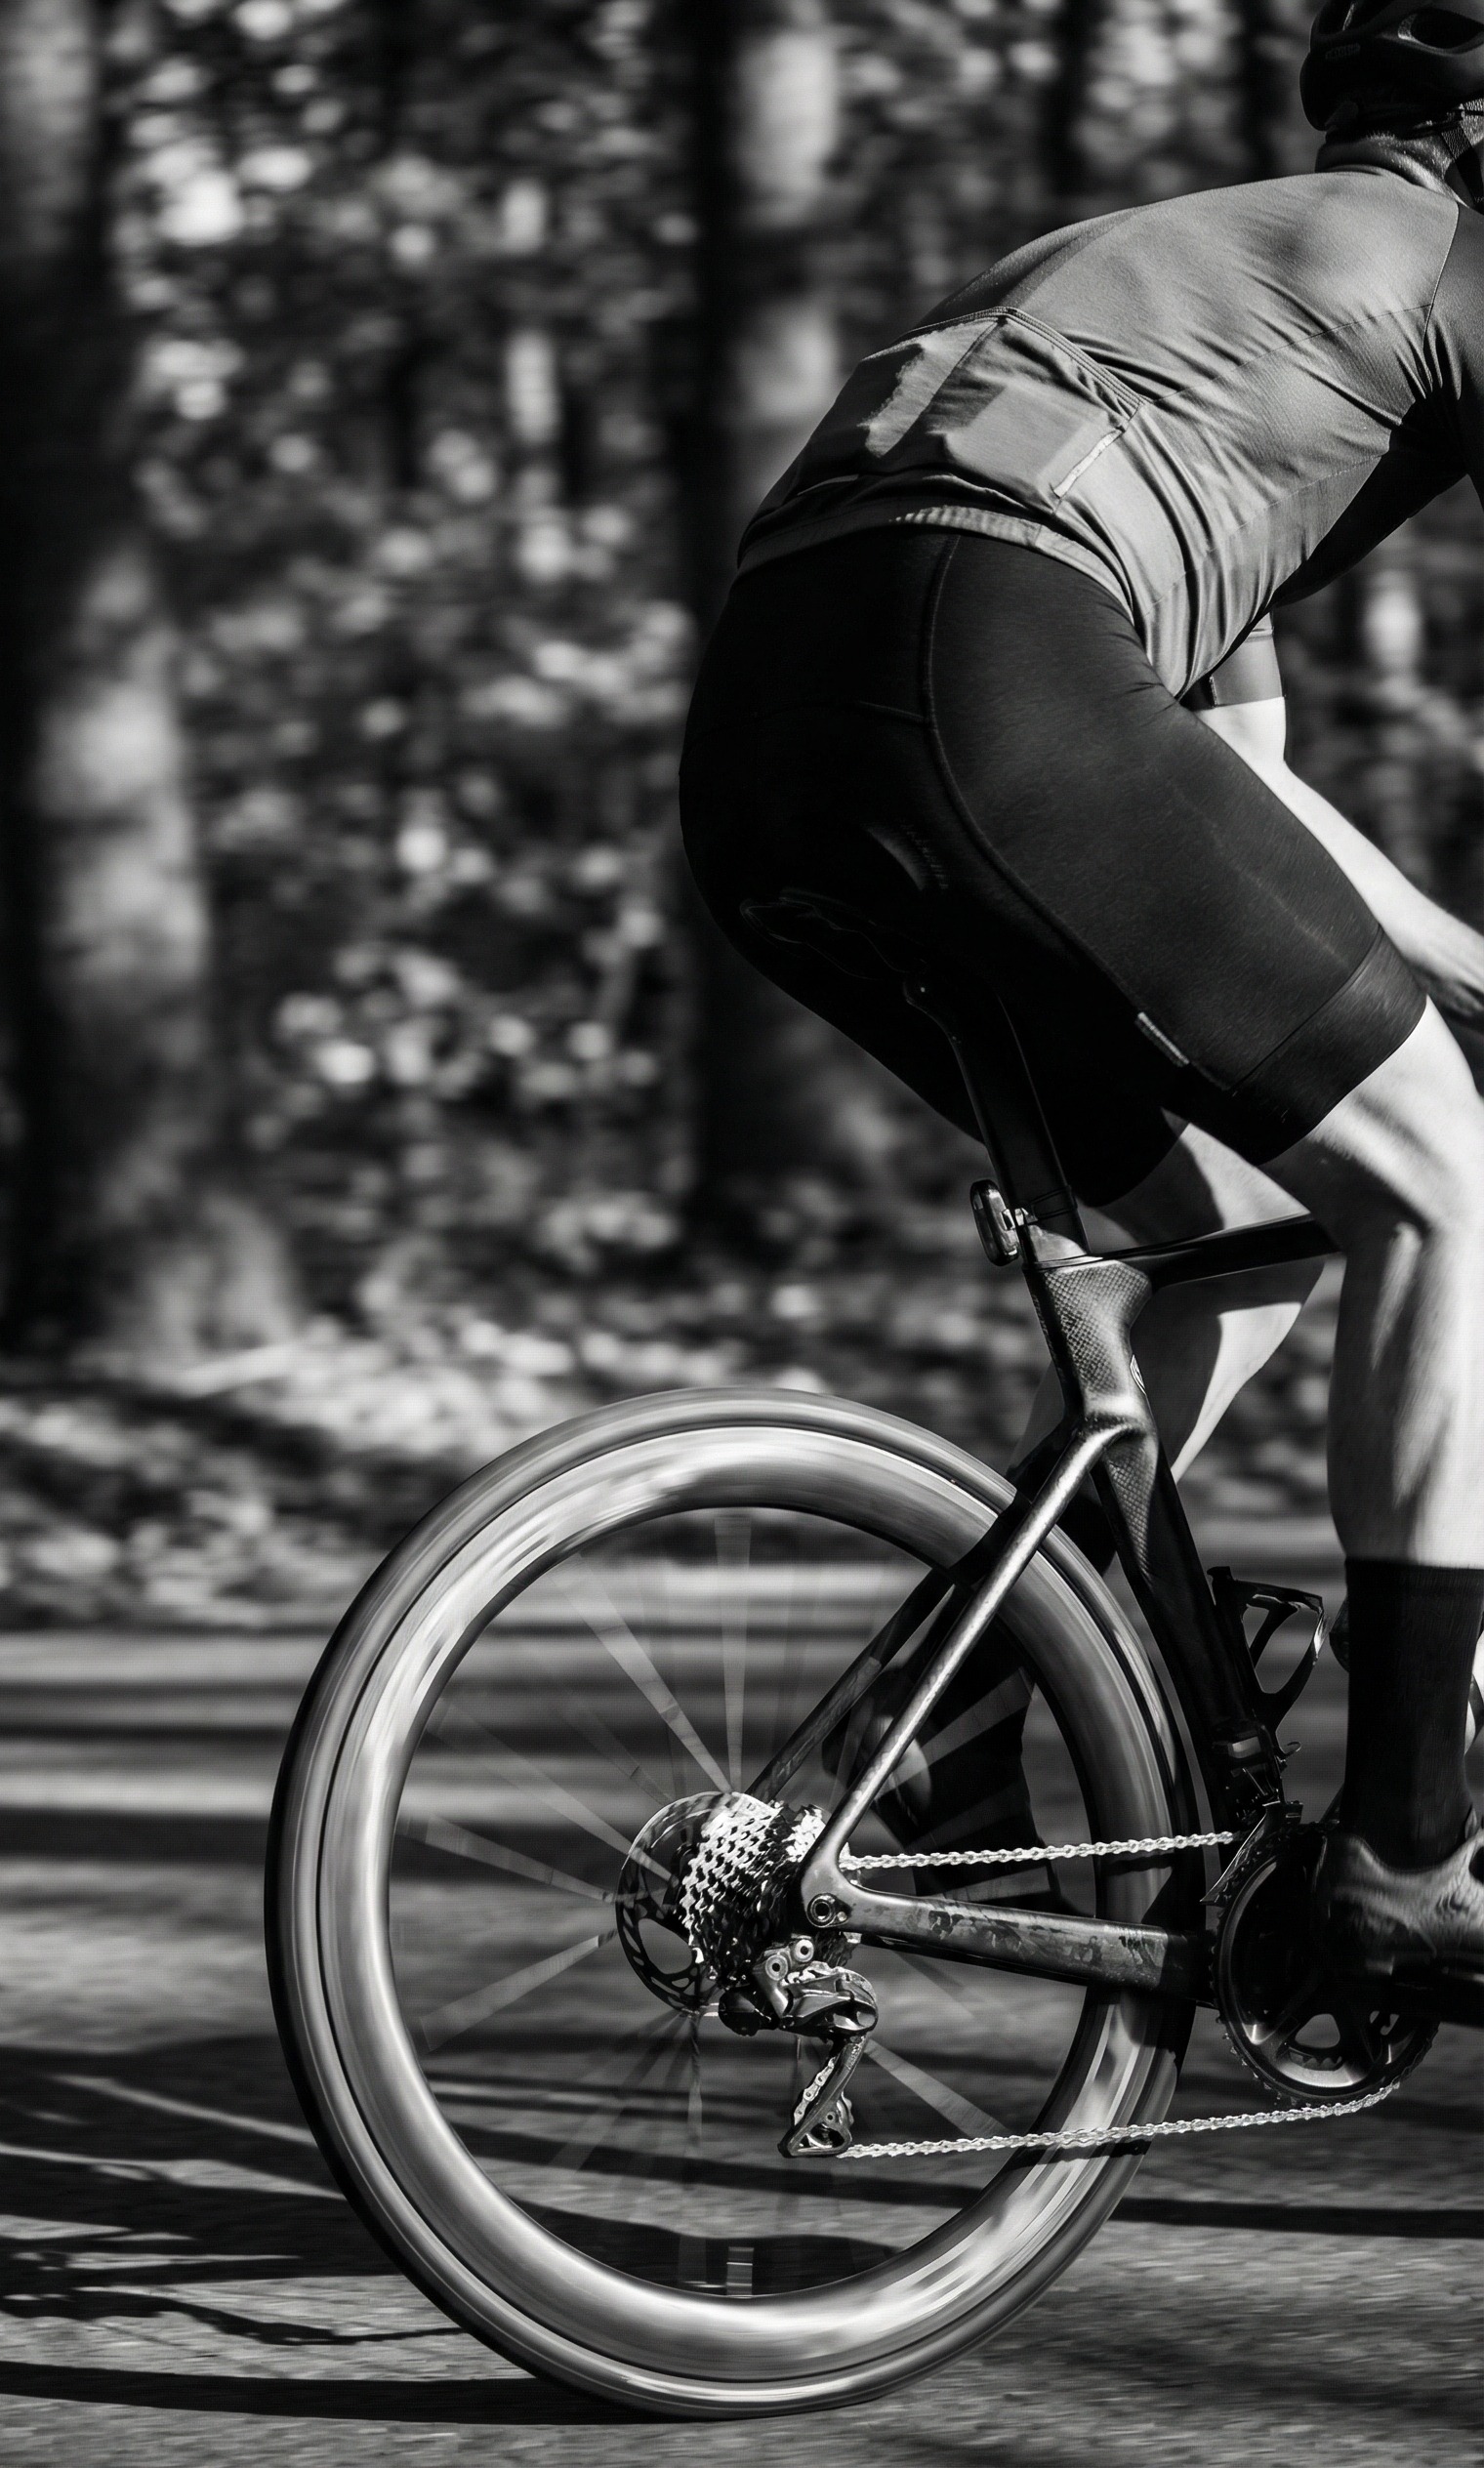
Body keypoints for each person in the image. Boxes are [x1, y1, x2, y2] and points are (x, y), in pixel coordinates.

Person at [680, 0, 1484, 2005]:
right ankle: (1407, 1844)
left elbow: (1256, 800)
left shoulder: (1194, 286)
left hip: (786, 724)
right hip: (993, 658)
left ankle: (930, 1723)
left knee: (1240, 1233)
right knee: (1449, 1193)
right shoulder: (1443, 269)